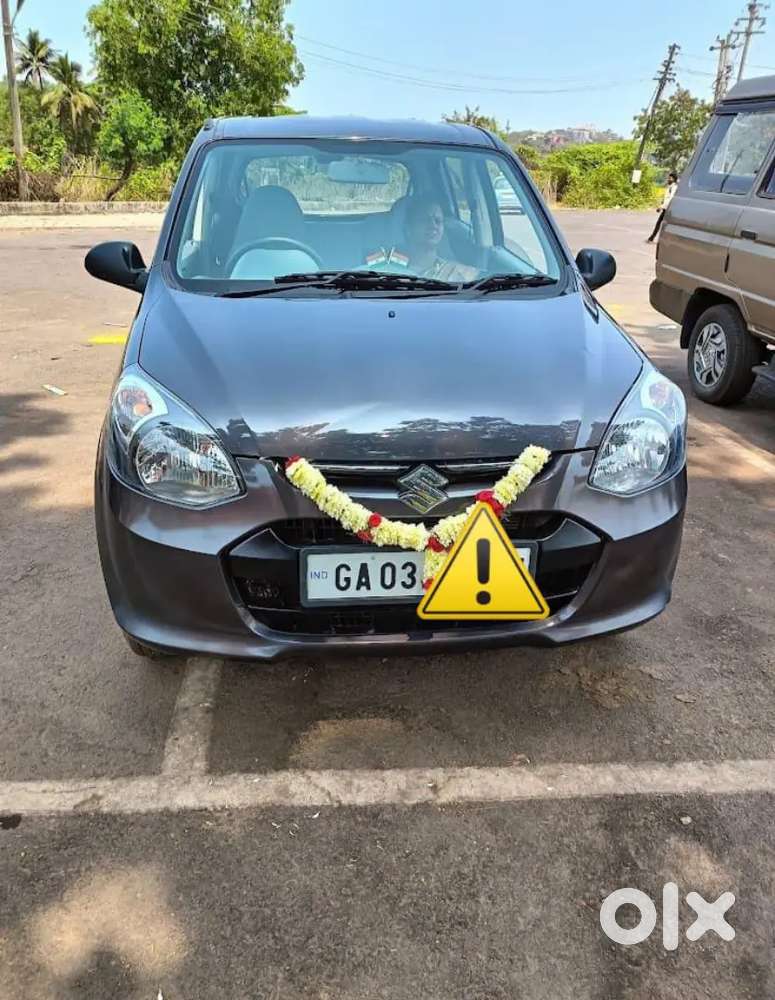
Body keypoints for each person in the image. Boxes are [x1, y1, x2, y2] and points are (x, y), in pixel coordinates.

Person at [365, 196, 479, 282]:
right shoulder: (381, 266)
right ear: (408, 229)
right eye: (425, 220)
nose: (433, 226)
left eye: (438, 221)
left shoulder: (458, 272)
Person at [647, 171, 678, 244]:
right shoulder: (669, 187)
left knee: (663, 224)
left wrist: (661, 207)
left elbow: (670, 198)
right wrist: (662, 205)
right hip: (666, 208)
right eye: (668, 178)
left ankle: (653, 238)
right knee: (661, 224)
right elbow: (666, 198)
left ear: (674, 179)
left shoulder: (674, 187)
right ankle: (652, 238)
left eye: (670, 178)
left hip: (669, 209)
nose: (668, 179)